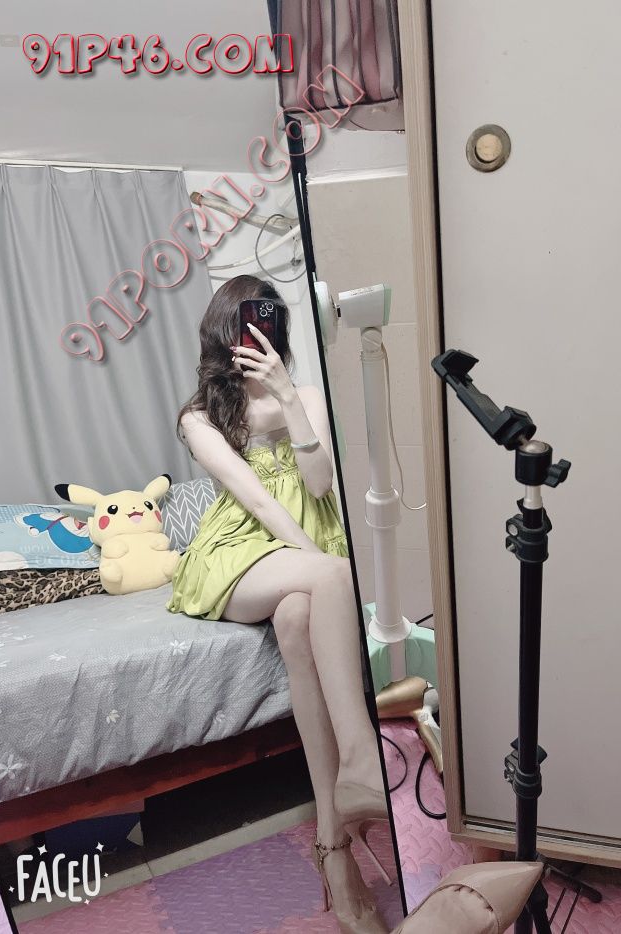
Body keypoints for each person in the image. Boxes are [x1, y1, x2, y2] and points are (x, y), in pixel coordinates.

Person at [168, 274, 389, 934]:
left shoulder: (307, 396)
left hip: (305, 541)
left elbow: (319, 485)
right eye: (246, 323)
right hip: (241, 547)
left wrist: (290, 397)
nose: (259, 334)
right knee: (331, 578)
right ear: (224, 333)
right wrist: (321, 566)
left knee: (297, 620)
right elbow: (258, 501)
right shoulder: (200, 417)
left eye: (269, 322)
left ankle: (334, 849)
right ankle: (361, 759)